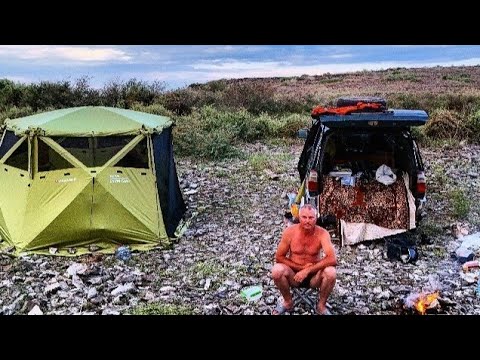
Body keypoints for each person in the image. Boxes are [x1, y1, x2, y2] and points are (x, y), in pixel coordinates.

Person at [271, 203, 337, 315]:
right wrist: (301, 268)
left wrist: (307, 270)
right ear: (298, 217)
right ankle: (287, 301)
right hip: (294, 275)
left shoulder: (322, 233)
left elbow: (332, 259)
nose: (307, 221)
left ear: (316, 218)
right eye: (304, 217)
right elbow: (279, 257)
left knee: (331, 272)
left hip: (314, 276)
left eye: (311, 217)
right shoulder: (290, 232)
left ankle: (321, 306)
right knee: (277, 270)